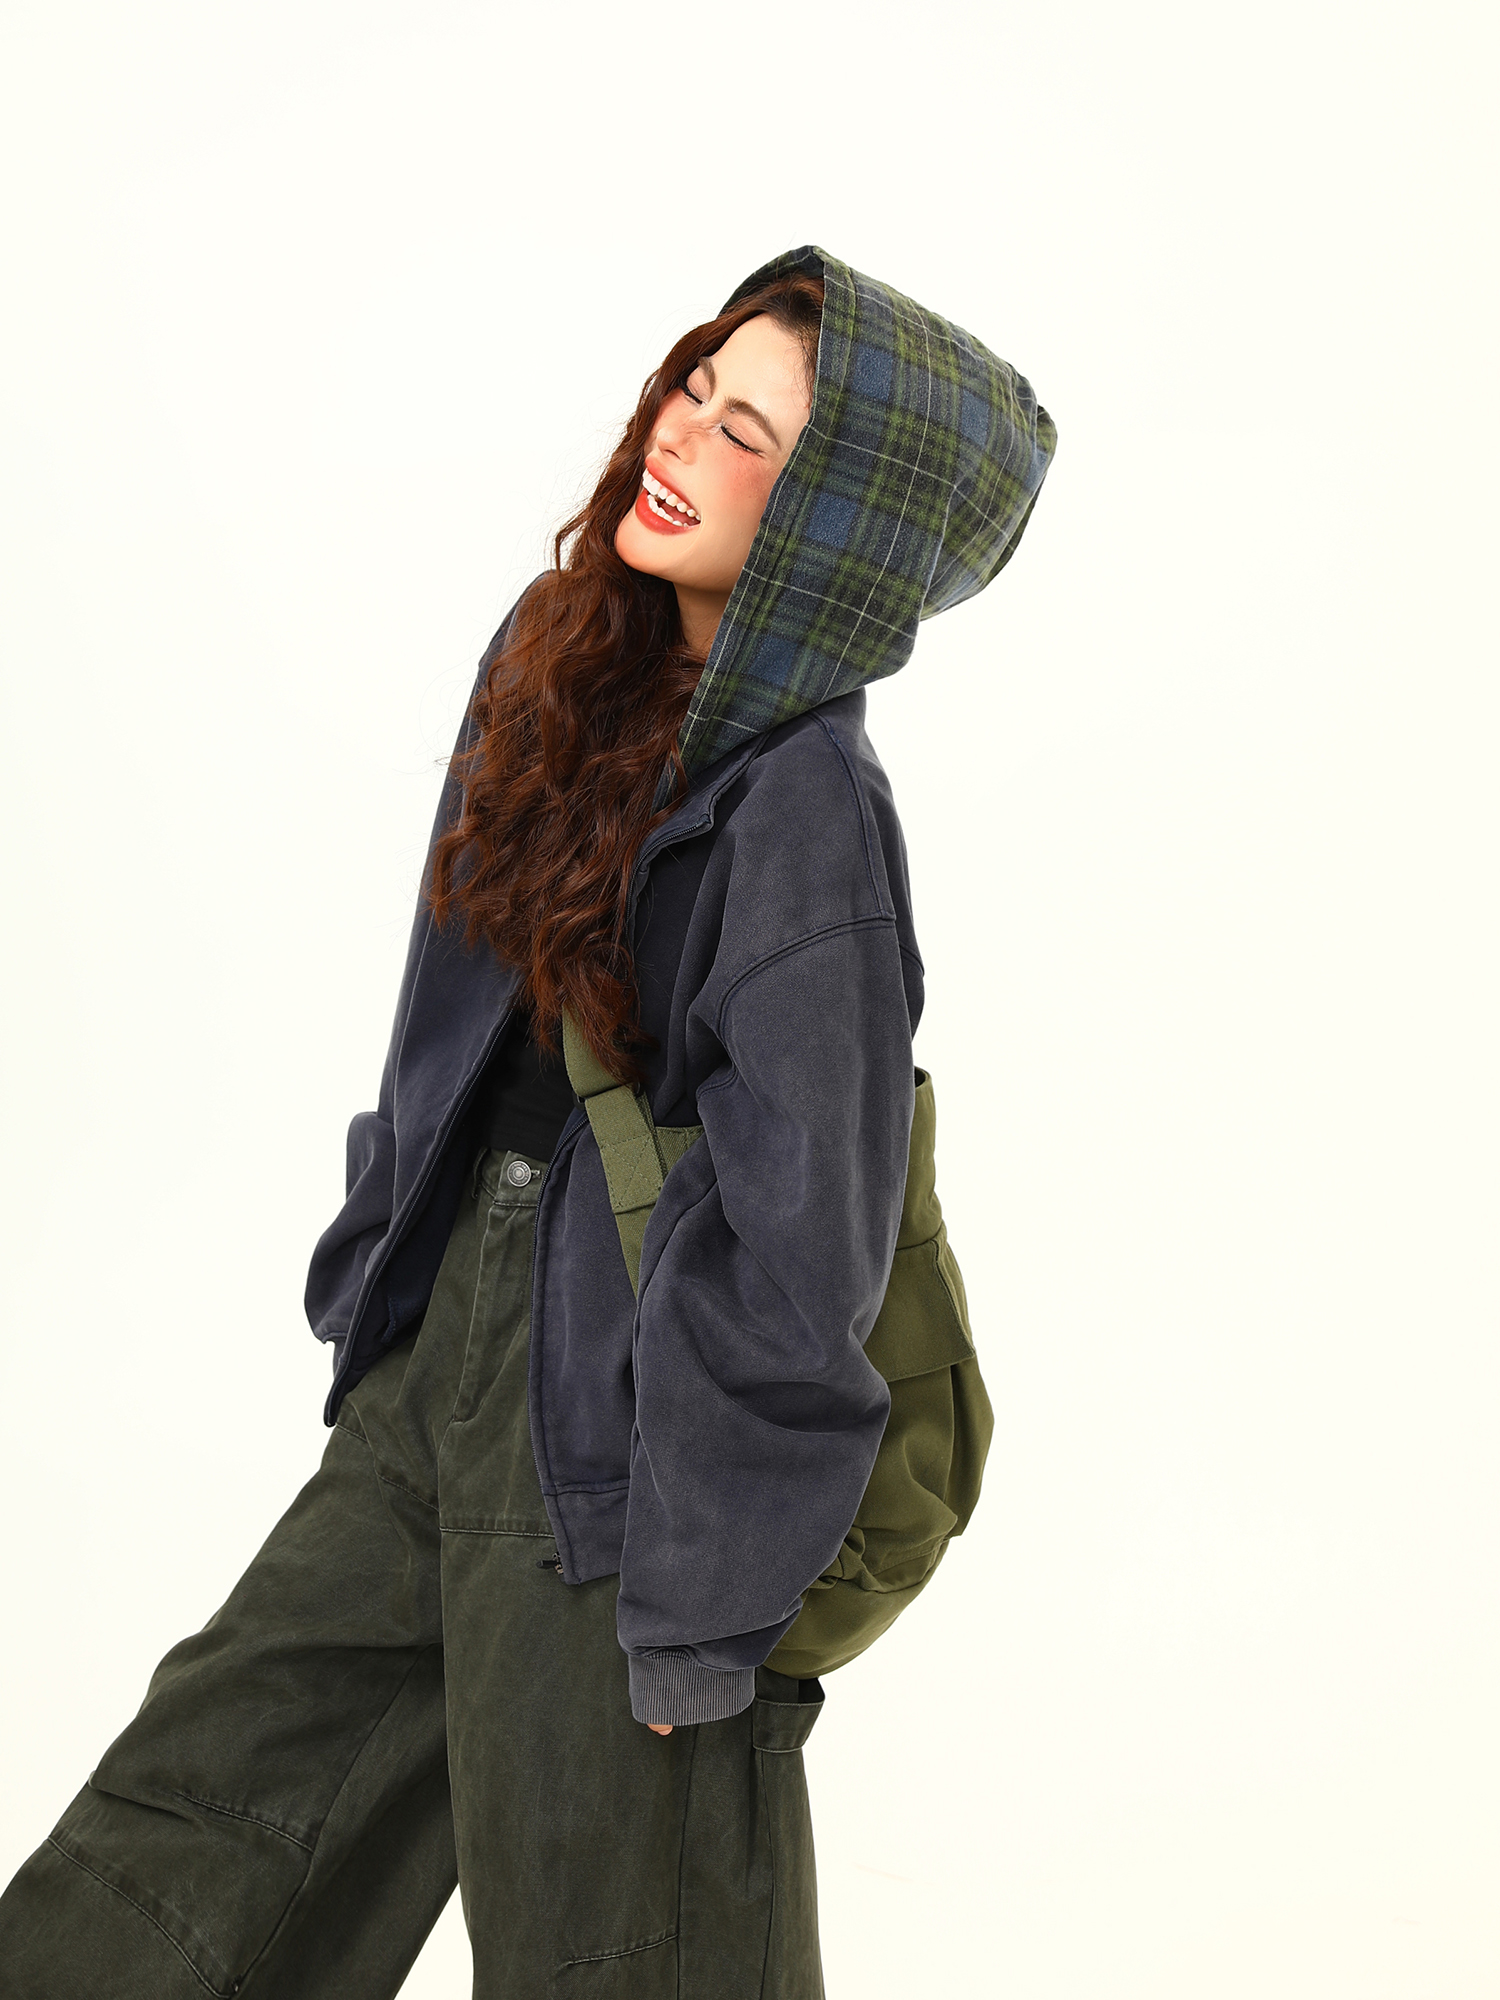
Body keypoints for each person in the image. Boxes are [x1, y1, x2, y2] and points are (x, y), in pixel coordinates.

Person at [0, 246, 1055, 1999]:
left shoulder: (809, 813)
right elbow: (442, 1008)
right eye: (695, 388)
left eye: (752, 438)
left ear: (834, 534)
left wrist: (703, 1598)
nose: (683, 436)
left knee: (615, 1947)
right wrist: (384, 1283)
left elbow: (808, 1249)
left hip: (635, 1449)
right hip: (444, 1368)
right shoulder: (556, 655)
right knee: (187, 1838)